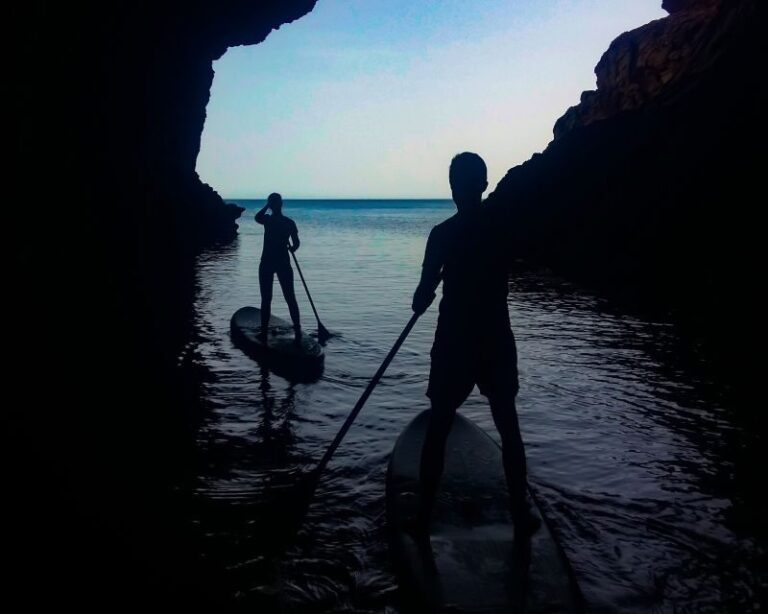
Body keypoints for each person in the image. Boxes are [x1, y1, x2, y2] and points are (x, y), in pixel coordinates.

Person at [411, 152, 540, 538]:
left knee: (439, 425)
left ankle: (422, 517)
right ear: (483, 185)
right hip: (494, 337)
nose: (457, 189)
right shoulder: (501, 227)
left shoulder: (444, 234)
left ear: (458, 188)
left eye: (457, 183)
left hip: (455, 339)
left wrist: (425, 293)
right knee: (508, 425)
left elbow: (420, 297)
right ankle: (520, 512)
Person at [255, 193, 301, 345]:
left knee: (266, 299)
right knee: (290, 298)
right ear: (281, 204)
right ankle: (298, 330)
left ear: (272, 205)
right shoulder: (289, 222)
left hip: (268, 262)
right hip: (282, 262)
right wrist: (293, 248)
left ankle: (263, 332)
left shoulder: (268, 220)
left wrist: (267, 205)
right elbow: (296, 243)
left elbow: (257, 217)